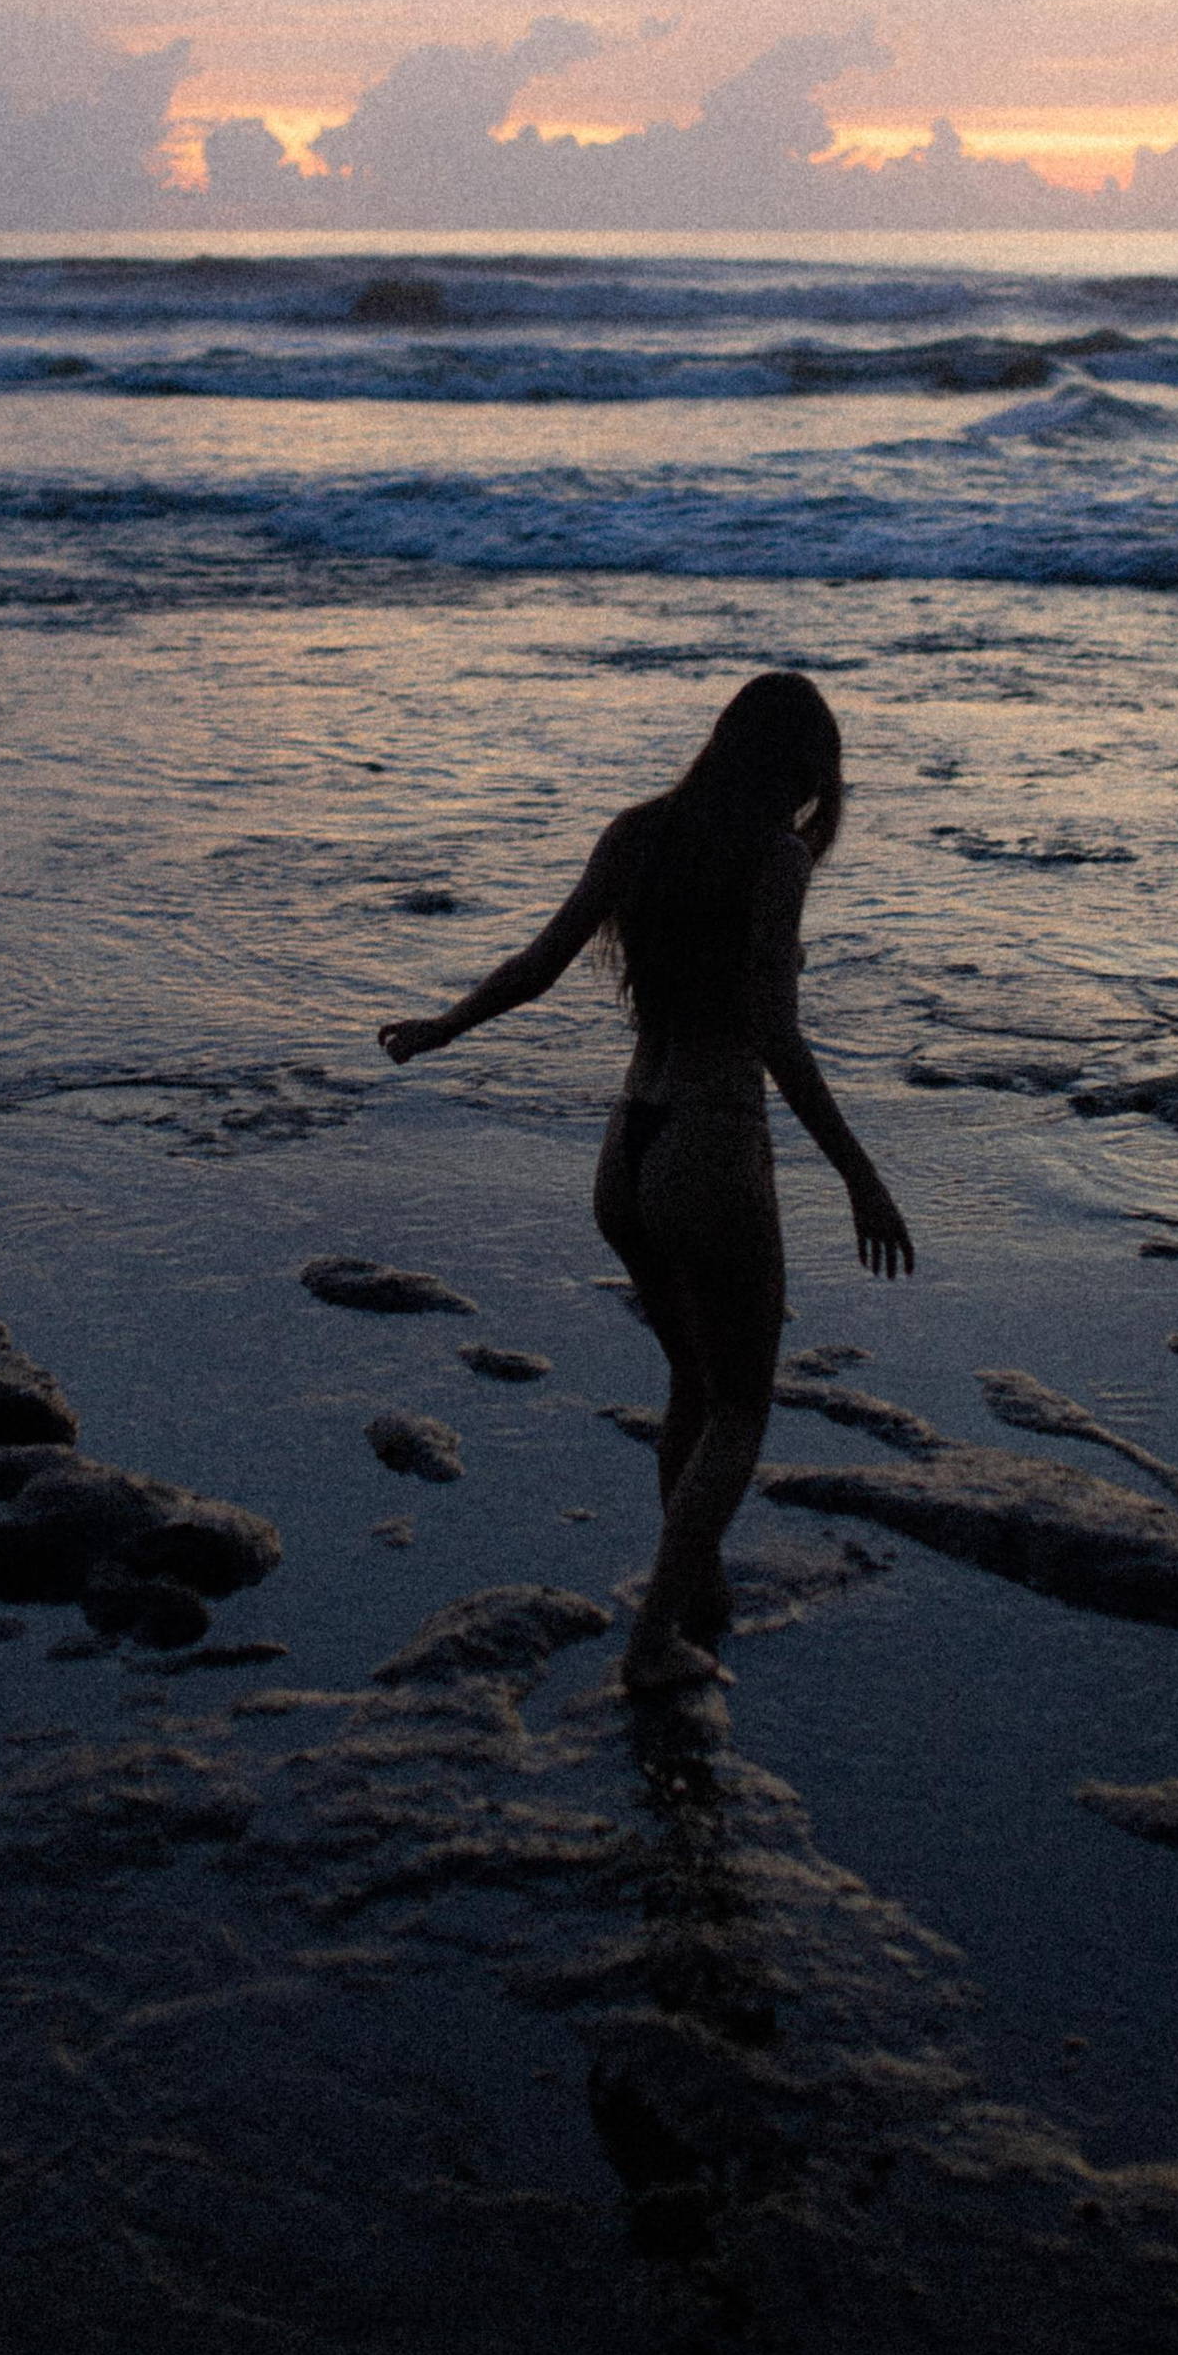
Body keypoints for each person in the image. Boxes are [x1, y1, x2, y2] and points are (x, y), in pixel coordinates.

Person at [379, 671, 913, 1692]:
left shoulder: (639, 833)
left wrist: (443, 1027)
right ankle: (652, 1637)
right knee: (742, 1409)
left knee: (693, 1386)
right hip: (711, 1144)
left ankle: (696, 1593)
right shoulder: (775, 857)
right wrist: (861, 1177)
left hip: (627, 1148)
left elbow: (538, 965)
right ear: (802, 769)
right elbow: (775, 1033)